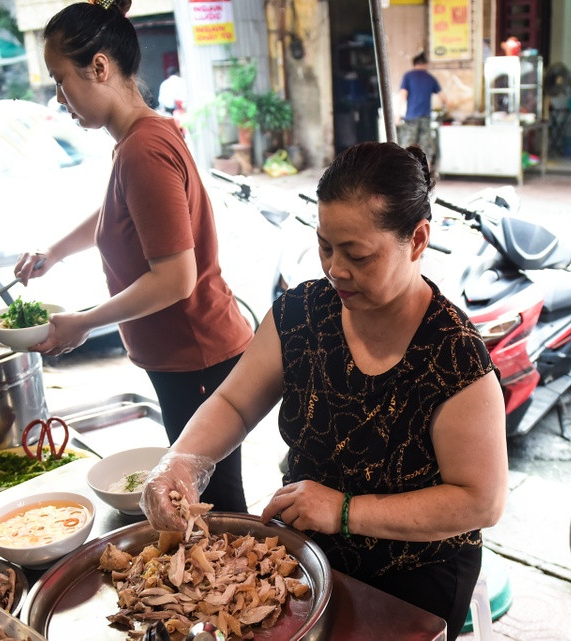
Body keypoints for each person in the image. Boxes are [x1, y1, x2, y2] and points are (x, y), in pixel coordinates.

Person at [140, 142, 508, 641]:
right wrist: (182, 461)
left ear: (417, 240)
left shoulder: (454, 360)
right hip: (306, 549)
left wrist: (343, 510)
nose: (335, 268)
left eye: (357, 254)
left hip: (411, 572)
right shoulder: (302, 313)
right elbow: (233, 402)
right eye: (325, 246)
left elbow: (480, 501)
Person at [13, 0, 254, 512]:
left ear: (99, 67)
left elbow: (176, 279)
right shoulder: (139, 139)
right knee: (203, 496)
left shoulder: (143, 149)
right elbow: (120, 215)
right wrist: (54, 251)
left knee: (214, 504)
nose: (61, 98)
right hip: (188, 356)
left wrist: (84, 322)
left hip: (199, 357)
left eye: (61, 80)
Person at [396, 52, 447, 165]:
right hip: (426, 118)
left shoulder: (408, 76)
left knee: (407, 147)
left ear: (414, 64)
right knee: (426, 148)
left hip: (411, 117)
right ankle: (426, 174)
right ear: (425, 64)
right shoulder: (430, 78)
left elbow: (403, 94)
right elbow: (443, 98)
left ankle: (405, 173)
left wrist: (398, 114)